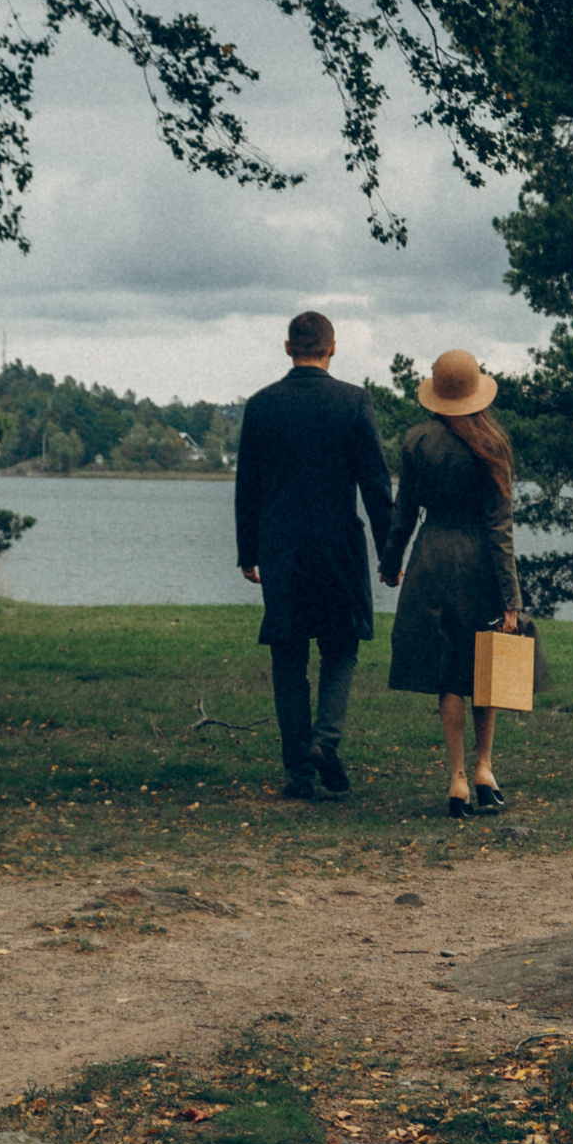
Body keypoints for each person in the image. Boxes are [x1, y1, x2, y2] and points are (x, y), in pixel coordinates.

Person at [235, 310, 394, 802]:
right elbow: (375, 483)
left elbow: (248, 486)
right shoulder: (353, 401)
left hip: (281, 548)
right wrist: (390, 554)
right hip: (337, 547)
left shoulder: (261, 405)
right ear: (333, 347)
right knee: (340, 647)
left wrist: (247, 551)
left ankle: (299, 774)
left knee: (288, 655)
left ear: (288, 348)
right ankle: (325, 740)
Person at [379, 348, 523, 818]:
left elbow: (404, 512)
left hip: (433, 558)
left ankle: (457, 777)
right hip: (480, 561)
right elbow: (500, 527)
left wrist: (390, 562)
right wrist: (511, 597)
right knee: (486, 665)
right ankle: (485, 769)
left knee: (447, 670)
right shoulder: (494, 443)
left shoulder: (416, 440)